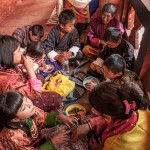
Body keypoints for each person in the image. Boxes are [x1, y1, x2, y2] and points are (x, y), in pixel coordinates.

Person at [71, 82, 150, 150]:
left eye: (95, 109)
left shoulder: (114, 145)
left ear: (106, 115)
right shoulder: (138, 108)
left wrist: (99, 149)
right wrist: (90, 125)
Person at [0, 35, 62, 111]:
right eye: (19, 51)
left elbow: (21, 75)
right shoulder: (9, 82)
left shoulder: (6, 65)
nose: (22, 53)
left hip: (24, 86)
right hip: (23, 102)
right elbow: (35, 94)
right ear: (8, 56)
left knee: (40, 77)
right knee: (56, 97)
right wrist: (29, 69)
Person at [0, 91, 78, 149]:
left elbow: (43, 116)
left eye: (26, 99)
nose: (30, 104)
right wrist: (53, 142)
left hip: (37, 140)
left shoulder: (31, 110)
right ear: (15, 119)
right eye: (23, 108)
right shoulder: (14, 137)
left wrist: (60, 117)